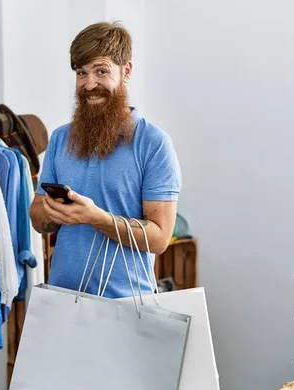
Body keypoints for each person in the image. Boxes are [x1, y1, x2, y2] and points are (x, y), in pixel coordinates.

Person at [29, 21, 182, 299]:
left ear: (126, 71)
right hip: (61, 301)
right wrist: (54, 212)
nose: (89, 84)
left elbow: (159, 238)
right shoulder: (61, 138)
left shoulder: (154, 143)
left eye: (101, 71)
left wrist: (96, 218)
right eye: (81, 73)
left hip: (127, 305)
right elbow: (37, 218)